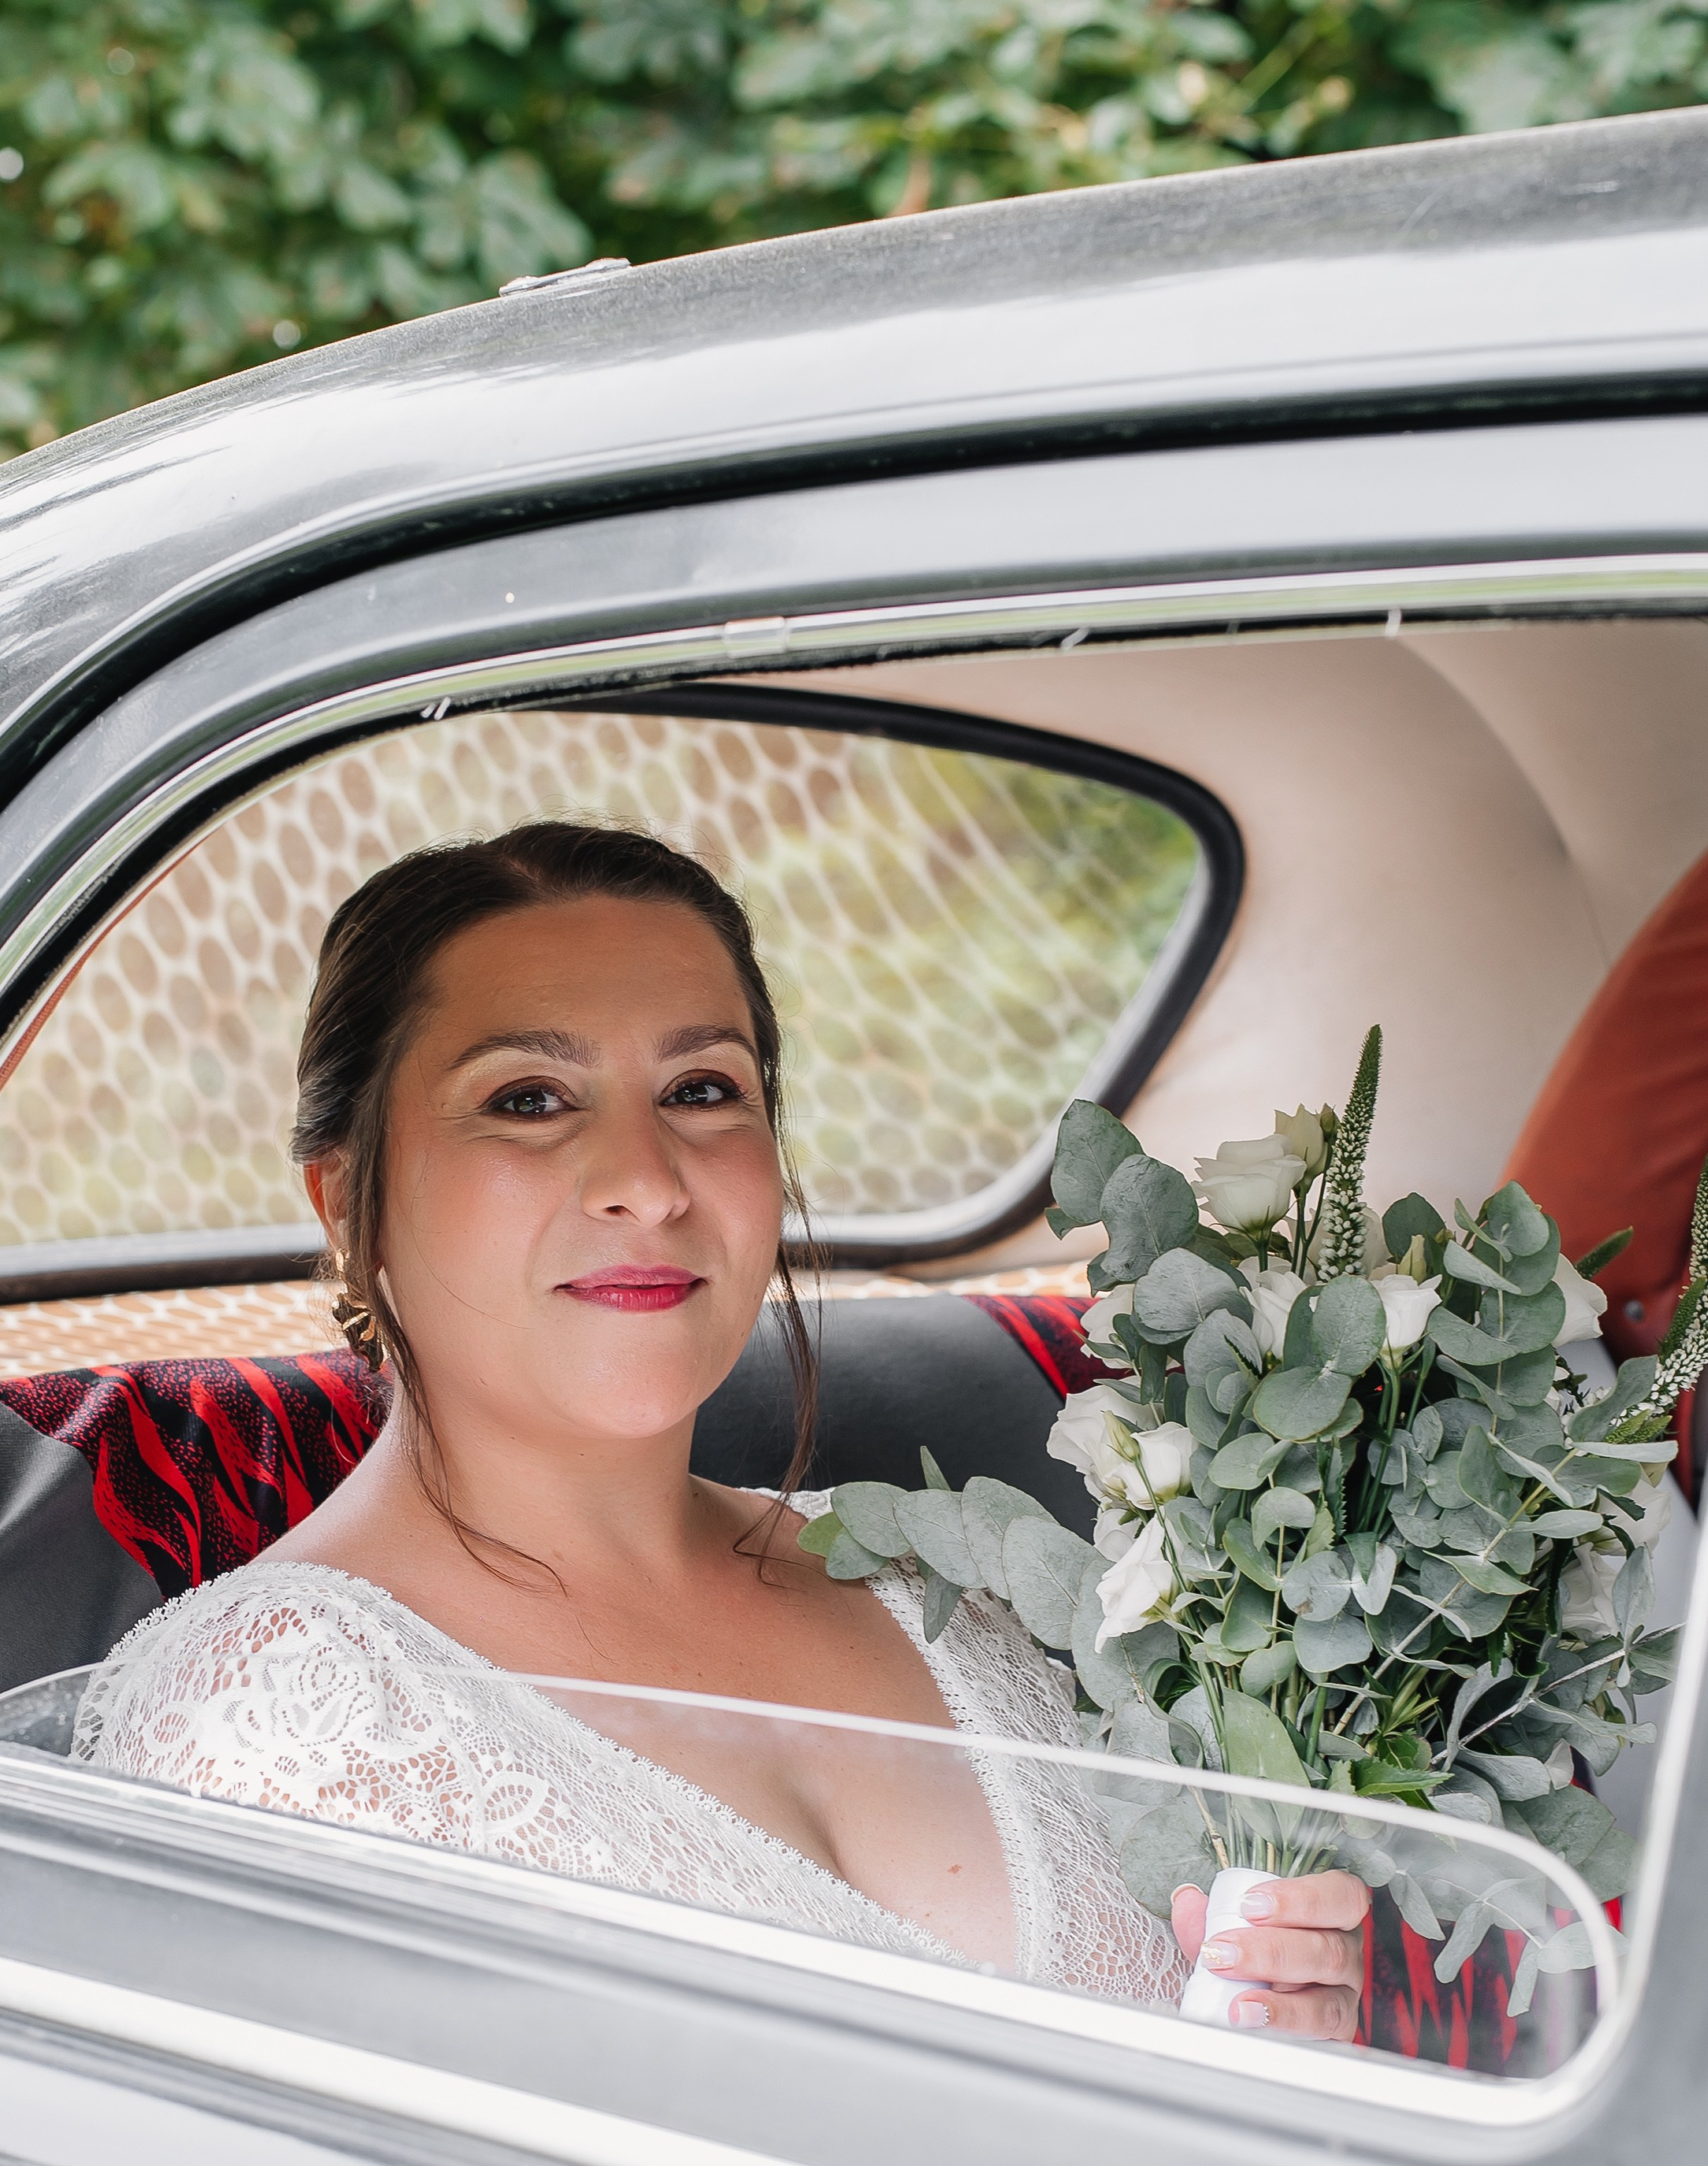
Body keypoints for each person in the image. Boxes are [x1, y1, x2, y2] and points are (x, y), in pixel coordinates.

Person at [75, 822, 1366, 2034]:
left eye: (701, 1089)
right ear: (347, 1198)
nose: (646, 1181)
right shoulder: (259, 1722)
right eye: (528, 1099)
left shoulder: (935, 1589)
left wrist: (1279, 2049)